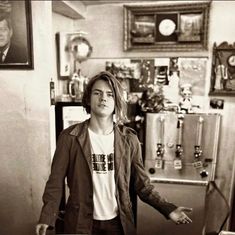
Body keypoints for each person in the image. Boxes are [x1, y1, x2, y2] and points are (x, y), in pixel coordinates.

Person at [36, 71, 192, 235]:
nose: (103, 98)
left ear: (116, 101)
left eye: (110, 94)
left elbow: (143, 185)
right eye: (97, 93)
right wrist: (46, 217)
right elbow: (55, 182)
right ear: (88, 99)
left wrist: (168, 208)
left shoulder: (129, 140)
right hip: (79, 224)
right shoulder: (69, 138)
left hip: (119, 225)